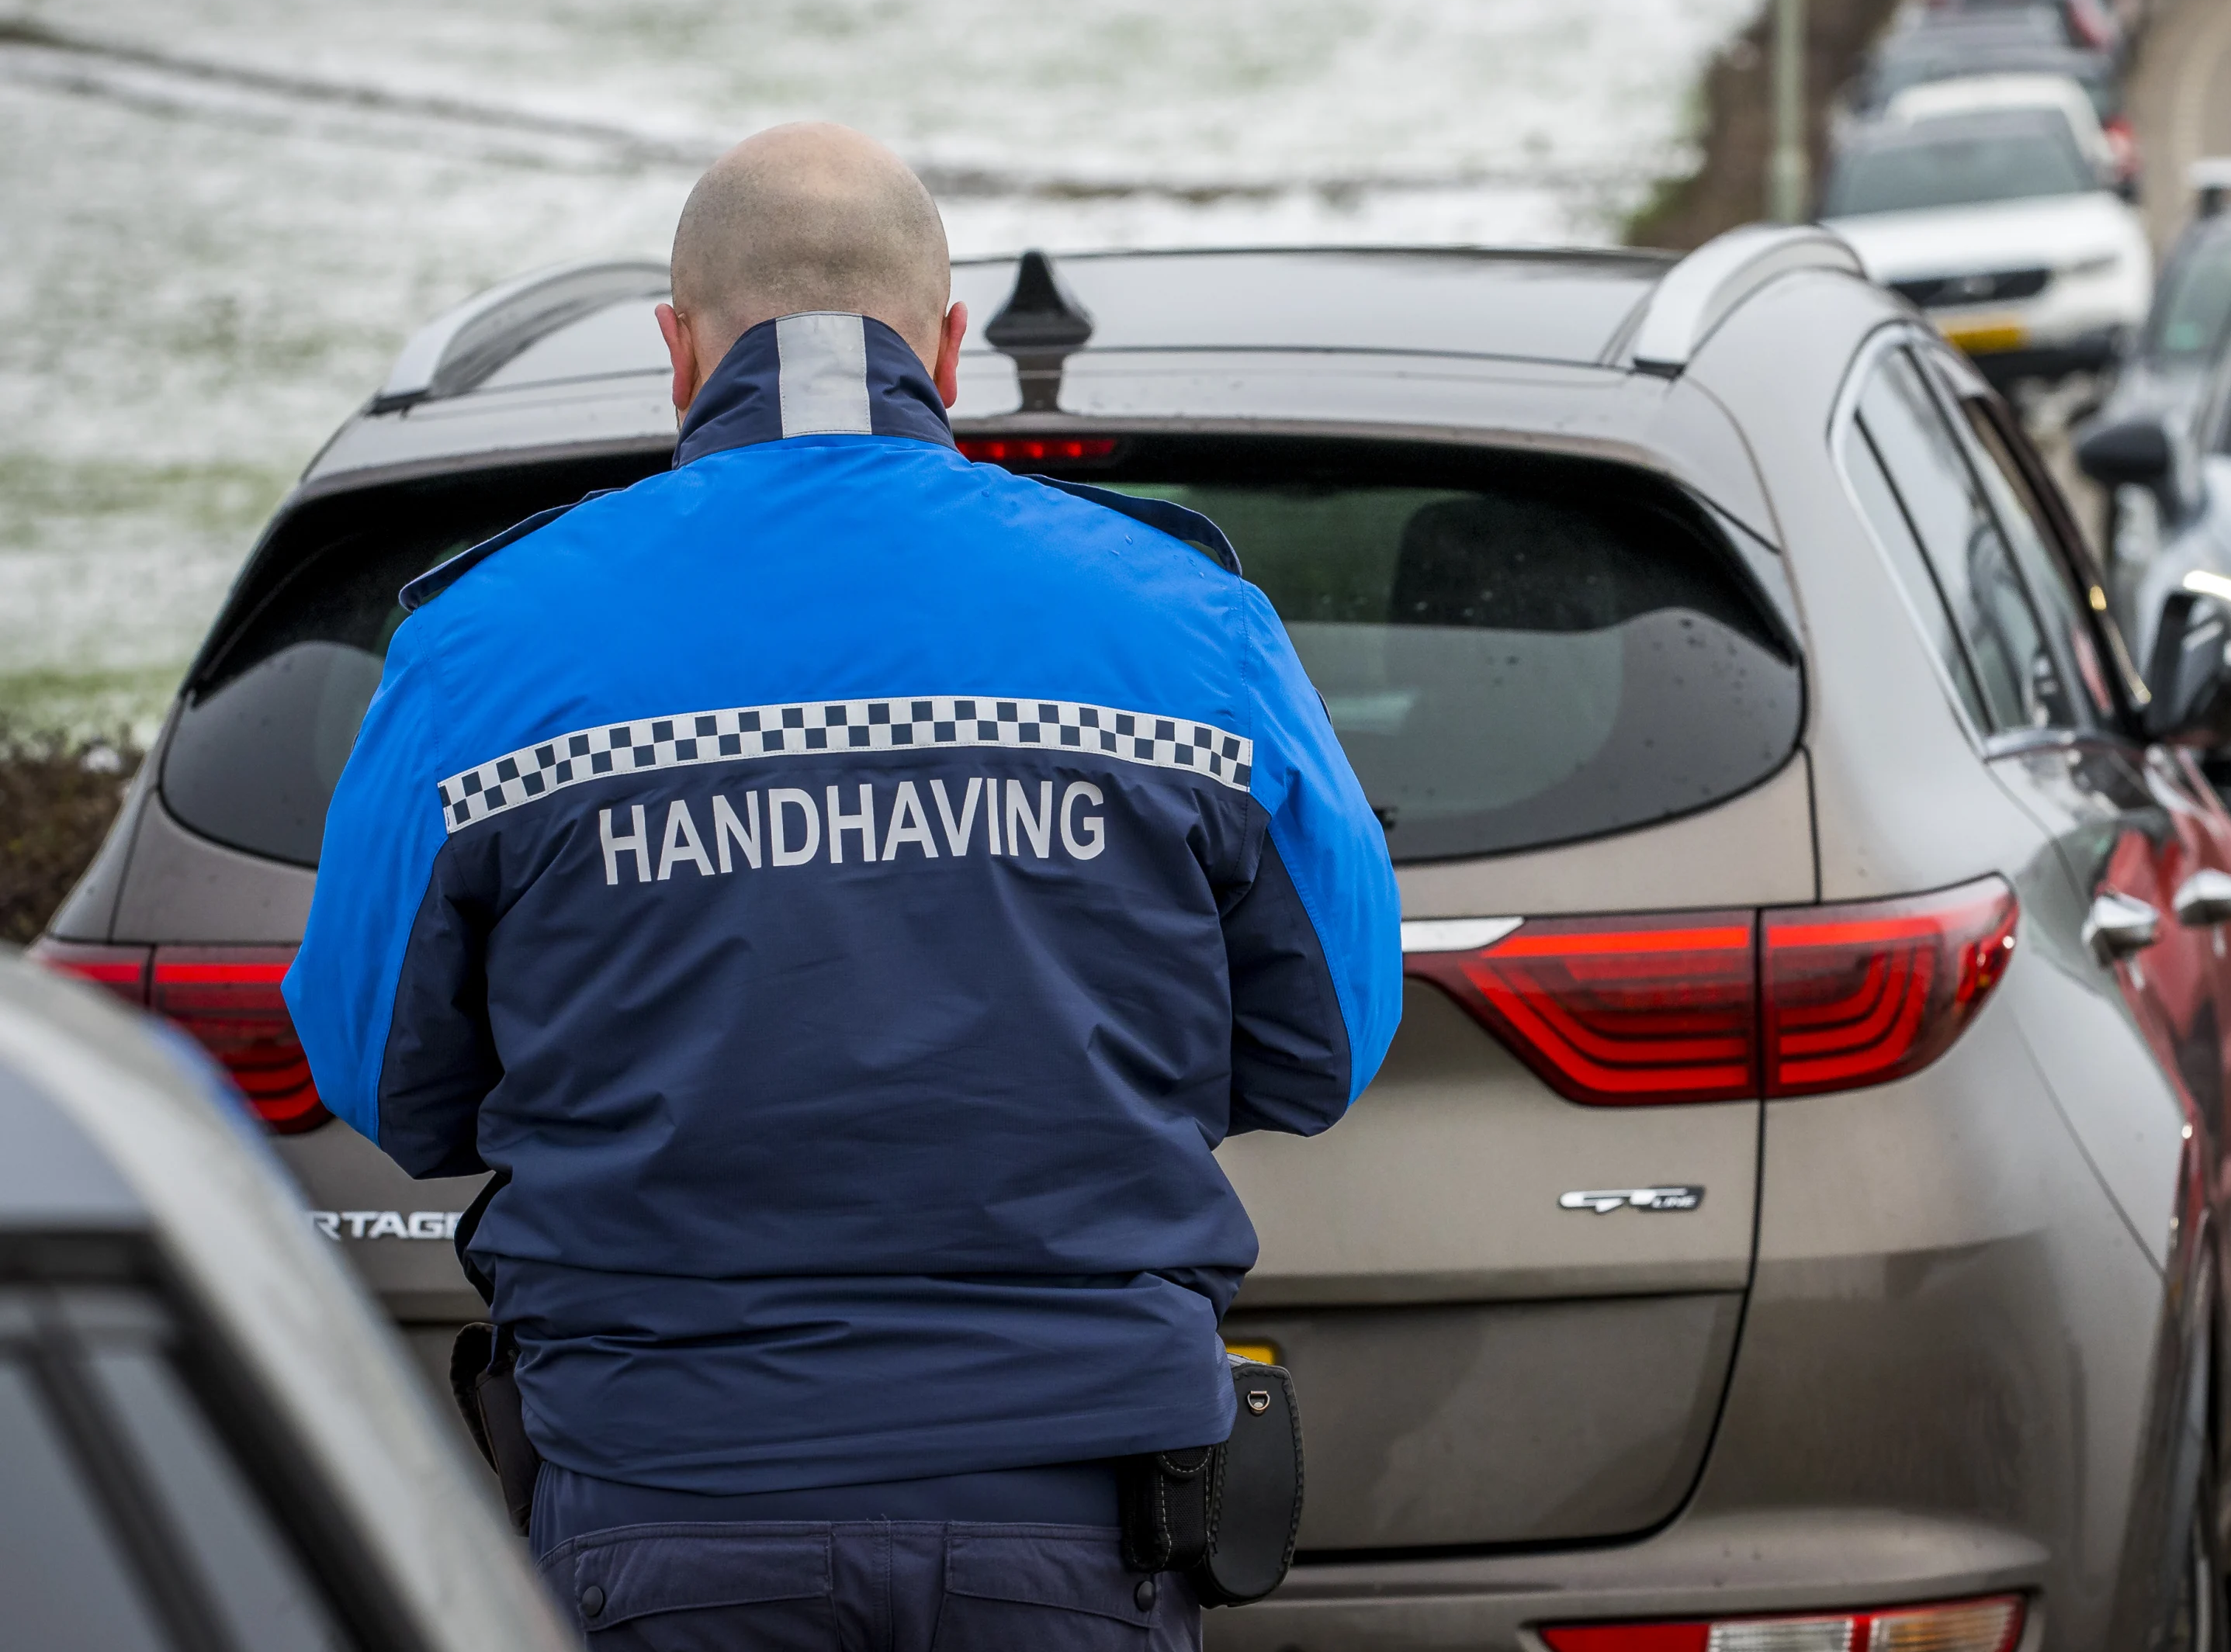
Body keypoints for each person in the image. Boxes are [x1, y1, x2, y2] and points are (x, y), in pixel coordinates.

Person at [285, 123, 1401, 1646]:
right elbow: (1327, 1042)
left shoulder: (483, 648)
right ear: (947, 346)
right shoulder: (1188, 626)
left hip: (662, 1515)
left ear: (678, 350)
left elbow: (379, 1075)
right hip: (1073, 1525)